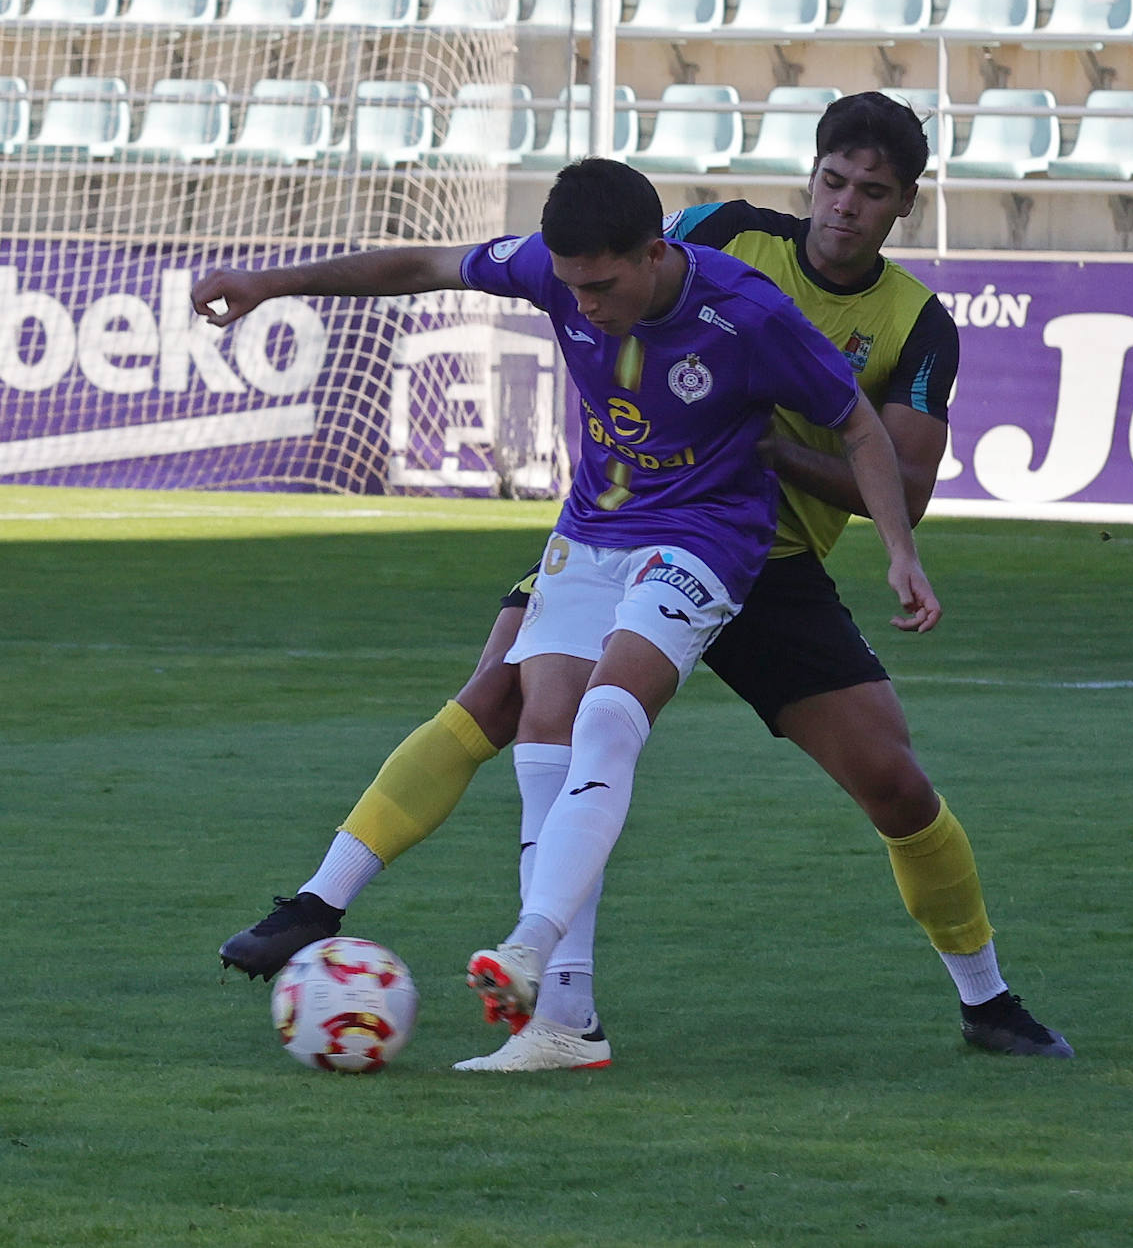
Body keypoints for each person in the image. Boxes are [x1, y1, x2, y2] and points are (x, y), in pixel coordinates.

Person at [205, 94, 1074, 1069]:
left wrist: (836, 507)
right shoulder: (715, 234)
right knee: (515, 704)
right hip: (613, 528)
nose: (842, 206)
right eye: (832, 181)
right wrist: (269, 282)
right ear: (809, 176)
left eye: (869, 193)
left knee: (889, 781)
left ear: (900, 204)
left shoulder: (898, 321)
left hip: (759, 559)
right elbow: (442, 265)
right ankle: (464, 970)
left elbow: (897, 479)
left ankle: (985, 1000)